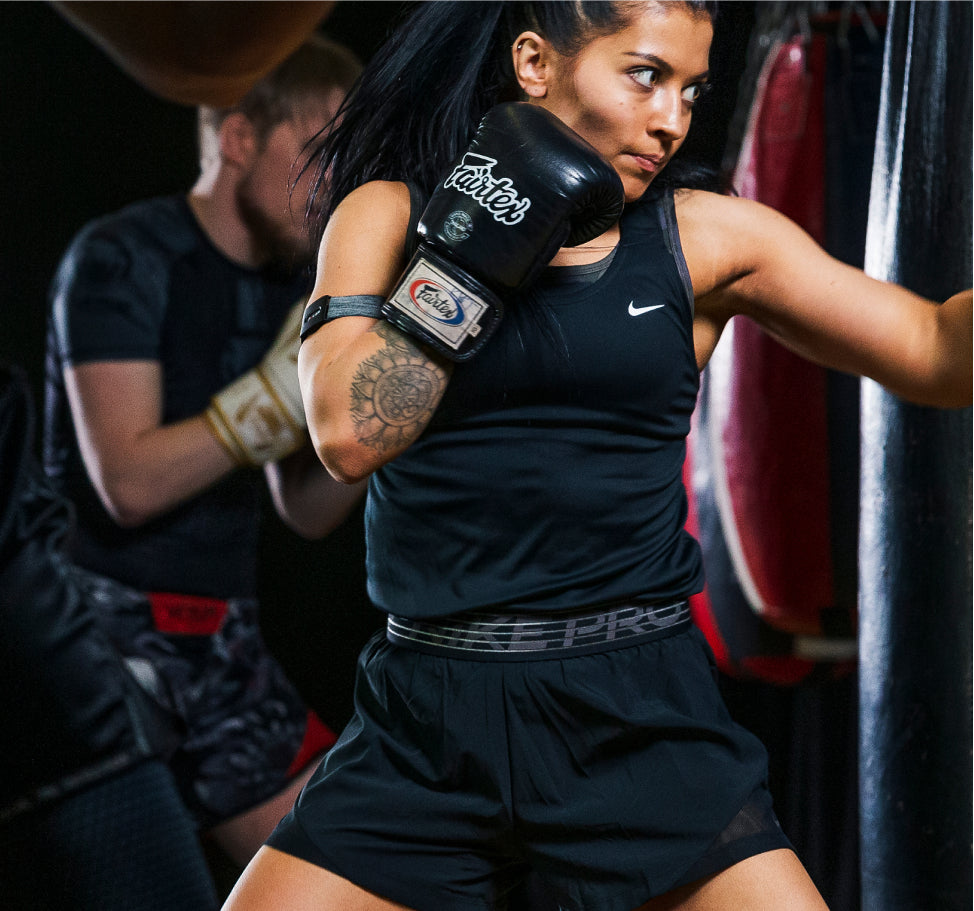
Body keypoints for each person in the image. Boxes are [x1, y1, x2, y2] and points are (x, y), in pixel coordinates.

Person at [224, 3, 973, 910]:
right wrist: (476, 249)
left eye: (692, 90)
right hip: (429, 720)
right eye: (645, 75)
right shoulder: (386, 216)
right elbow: (349, 435)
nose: (673, 119)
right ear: (535, 63)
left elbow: (934, 350)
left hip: (636, 714)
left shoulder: (703, 237)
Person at [42, 33, 366, 877]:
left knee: (361, 876)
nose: (336, 182)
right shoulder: (121, 258)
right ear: (237, 139)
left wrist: (380, 413)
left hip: (222, 643)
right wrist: (268, 401)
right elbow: (130, 483)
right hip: (91, 639)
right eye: (320, 149)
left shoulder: (298, 287)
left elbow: (307, 510)